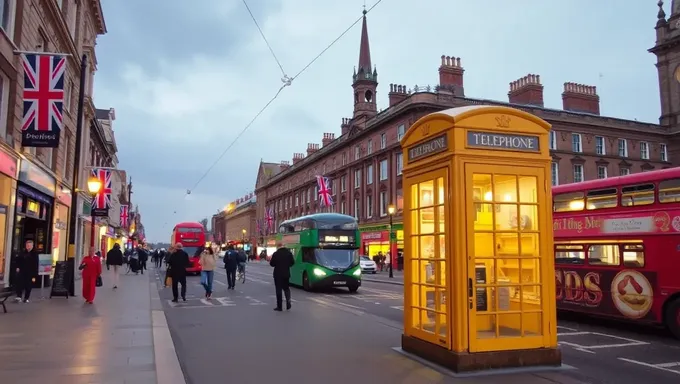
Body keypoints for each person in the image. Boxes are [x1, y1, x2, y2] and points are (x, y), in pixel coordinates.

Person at [270, 244, 295, 311]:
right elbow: (292, 262)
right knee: (286, 288)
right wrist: (287, 265)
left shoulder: (276, 254)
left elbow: (272, 264)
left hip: (277, 274)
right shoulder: (289, 253)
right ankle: (288, 302)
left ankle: (279, 306)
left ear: (278, 247)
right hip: (286, 274)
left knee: (278, 290)